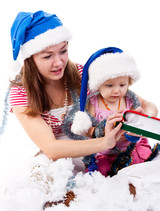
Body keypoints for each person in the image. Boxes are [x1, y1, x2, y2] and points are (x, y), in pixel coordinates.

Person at [9, 11, 124, 176]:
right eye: (48, 56)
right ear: (30, 59)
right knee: (45, 182)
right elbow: (51, 148)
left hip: (94, 148)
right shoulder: (21, 93)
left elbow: (129, 99)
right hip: (61, 158)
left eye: (63, 51)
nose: (58, 62)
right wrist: (104, 143)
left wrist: (141, 115)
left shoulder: (82, 74)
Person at [67, 47, 159, 177]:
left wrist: (146, 116)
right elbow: (85, 129)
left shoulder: (129, 97)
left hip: (130, 148)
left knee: (140, 170)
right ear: (98, 85)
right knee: (101, 172)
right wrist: (100, 132)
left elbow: (150, 105)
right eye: (109, 86)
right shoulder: (94, 103)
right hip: (105, 151)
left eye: (122, 85)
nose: (117, 91)